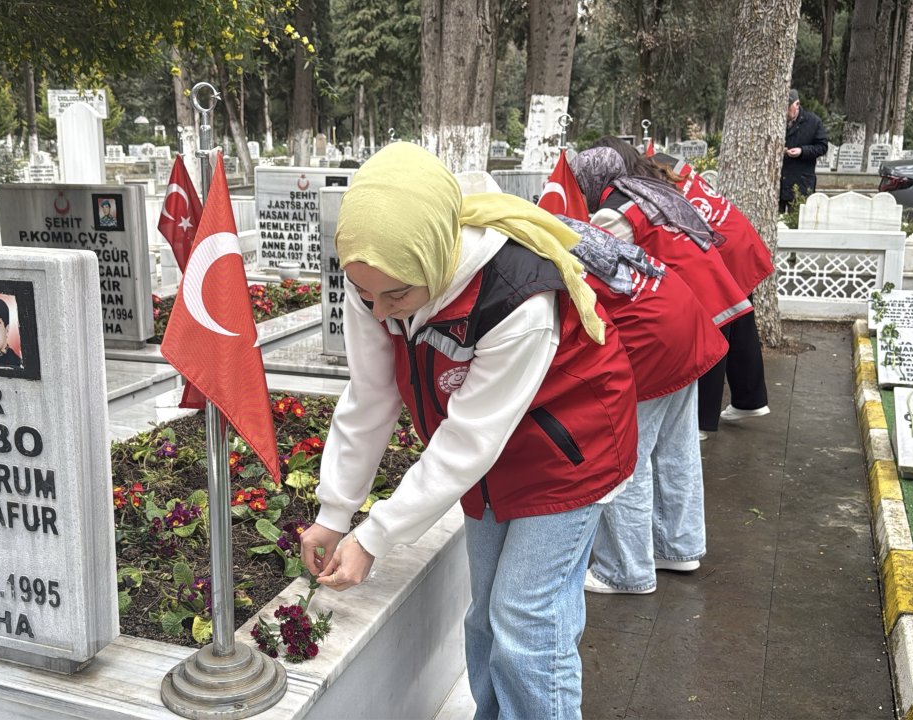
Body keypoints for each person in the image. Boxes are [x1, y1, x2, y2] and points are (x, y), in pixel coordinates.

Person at [300, 142, 638, 719]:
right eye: (365, 296)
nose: (381, 313)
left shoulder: (516, 297)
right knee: (486, 614)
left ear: (433, 257)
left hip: (569, 451)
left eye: (397, 297)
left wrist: (373, 536)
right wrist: (334, 513)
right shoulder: (379, 271)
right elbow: (372, 394)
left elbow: (466, 442)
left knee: (528, 620)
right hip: (493, 456)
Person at [556, 215, 727, 594]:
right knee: (675, 446)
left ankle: (625, 570)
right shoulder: (565, 227)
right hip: (682, 319)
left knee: (622, 457)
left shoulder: (528, 250)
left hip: (650, 342)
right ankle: (677, 548)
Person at [572, 143, 754, 440]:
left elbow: (601, 271)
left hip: (673, 306)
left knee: (641, 439)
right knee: (682, 427)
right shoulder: (645, 190)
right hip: (699, 284)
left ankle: (702, 426)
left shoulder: (612, 213)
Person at [780, 89, 829, 213]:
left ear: (797, 104)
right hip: (778, 184)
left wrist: (802, 151)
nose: (784, 112)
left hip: (800, 183)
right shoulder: (776, 121)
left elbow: (822, 146)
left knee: (796, 224)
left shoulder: (813, 122)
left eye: (787, 108)